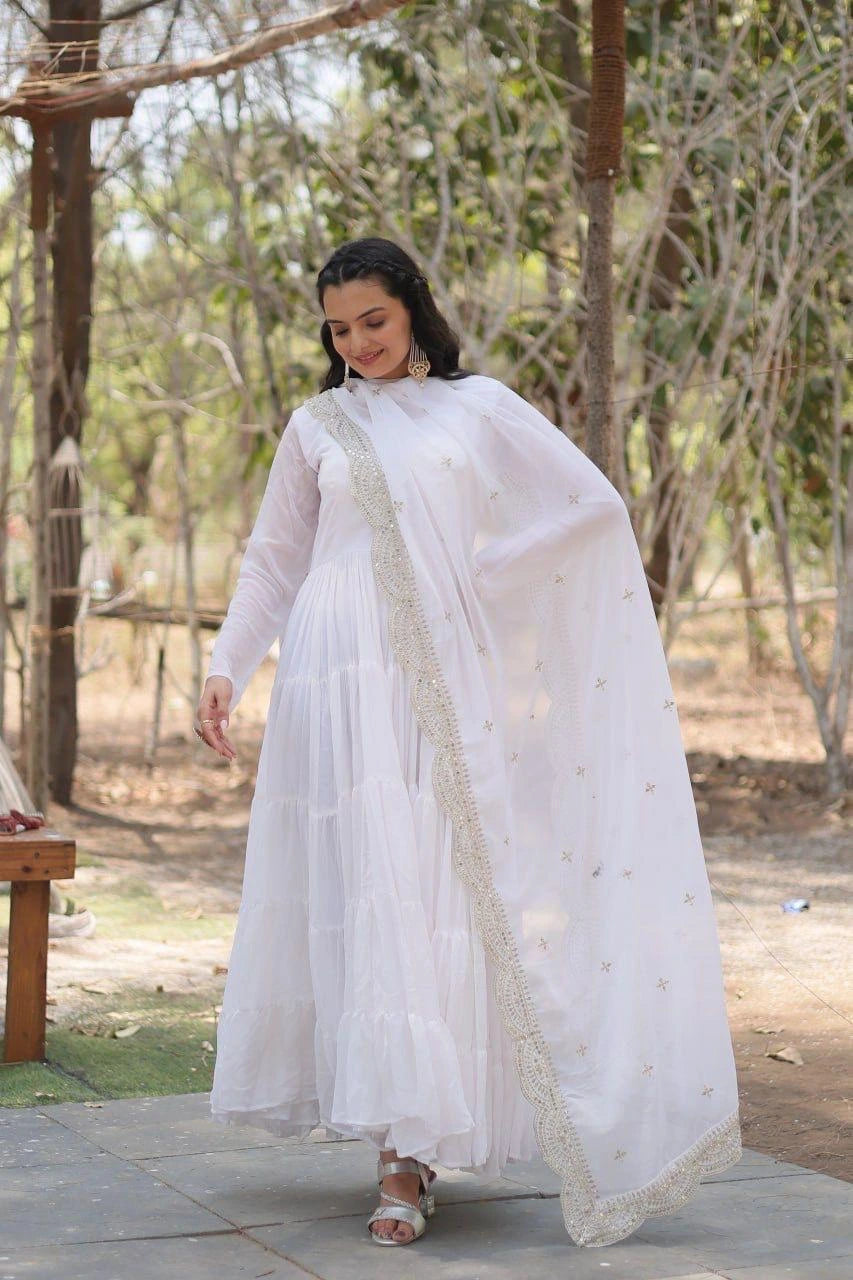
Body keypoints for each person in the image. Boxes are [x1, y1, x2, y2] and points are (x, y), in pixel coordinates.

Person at [194, 236, 742, 1249]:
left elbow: (590, 506)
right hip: (330, 691)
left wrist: (478, 583)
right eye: (339, 326)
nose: (357, 341)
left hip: (431, 685)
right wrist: (226, 663)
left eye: (374, 320)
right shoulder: (317, 424)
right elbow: (273, 562)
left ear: (412, 310)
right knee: (366, 894)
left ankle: (413, 1156)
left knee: (427, 893)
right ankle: (391, 1144)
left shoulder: (476, 408)